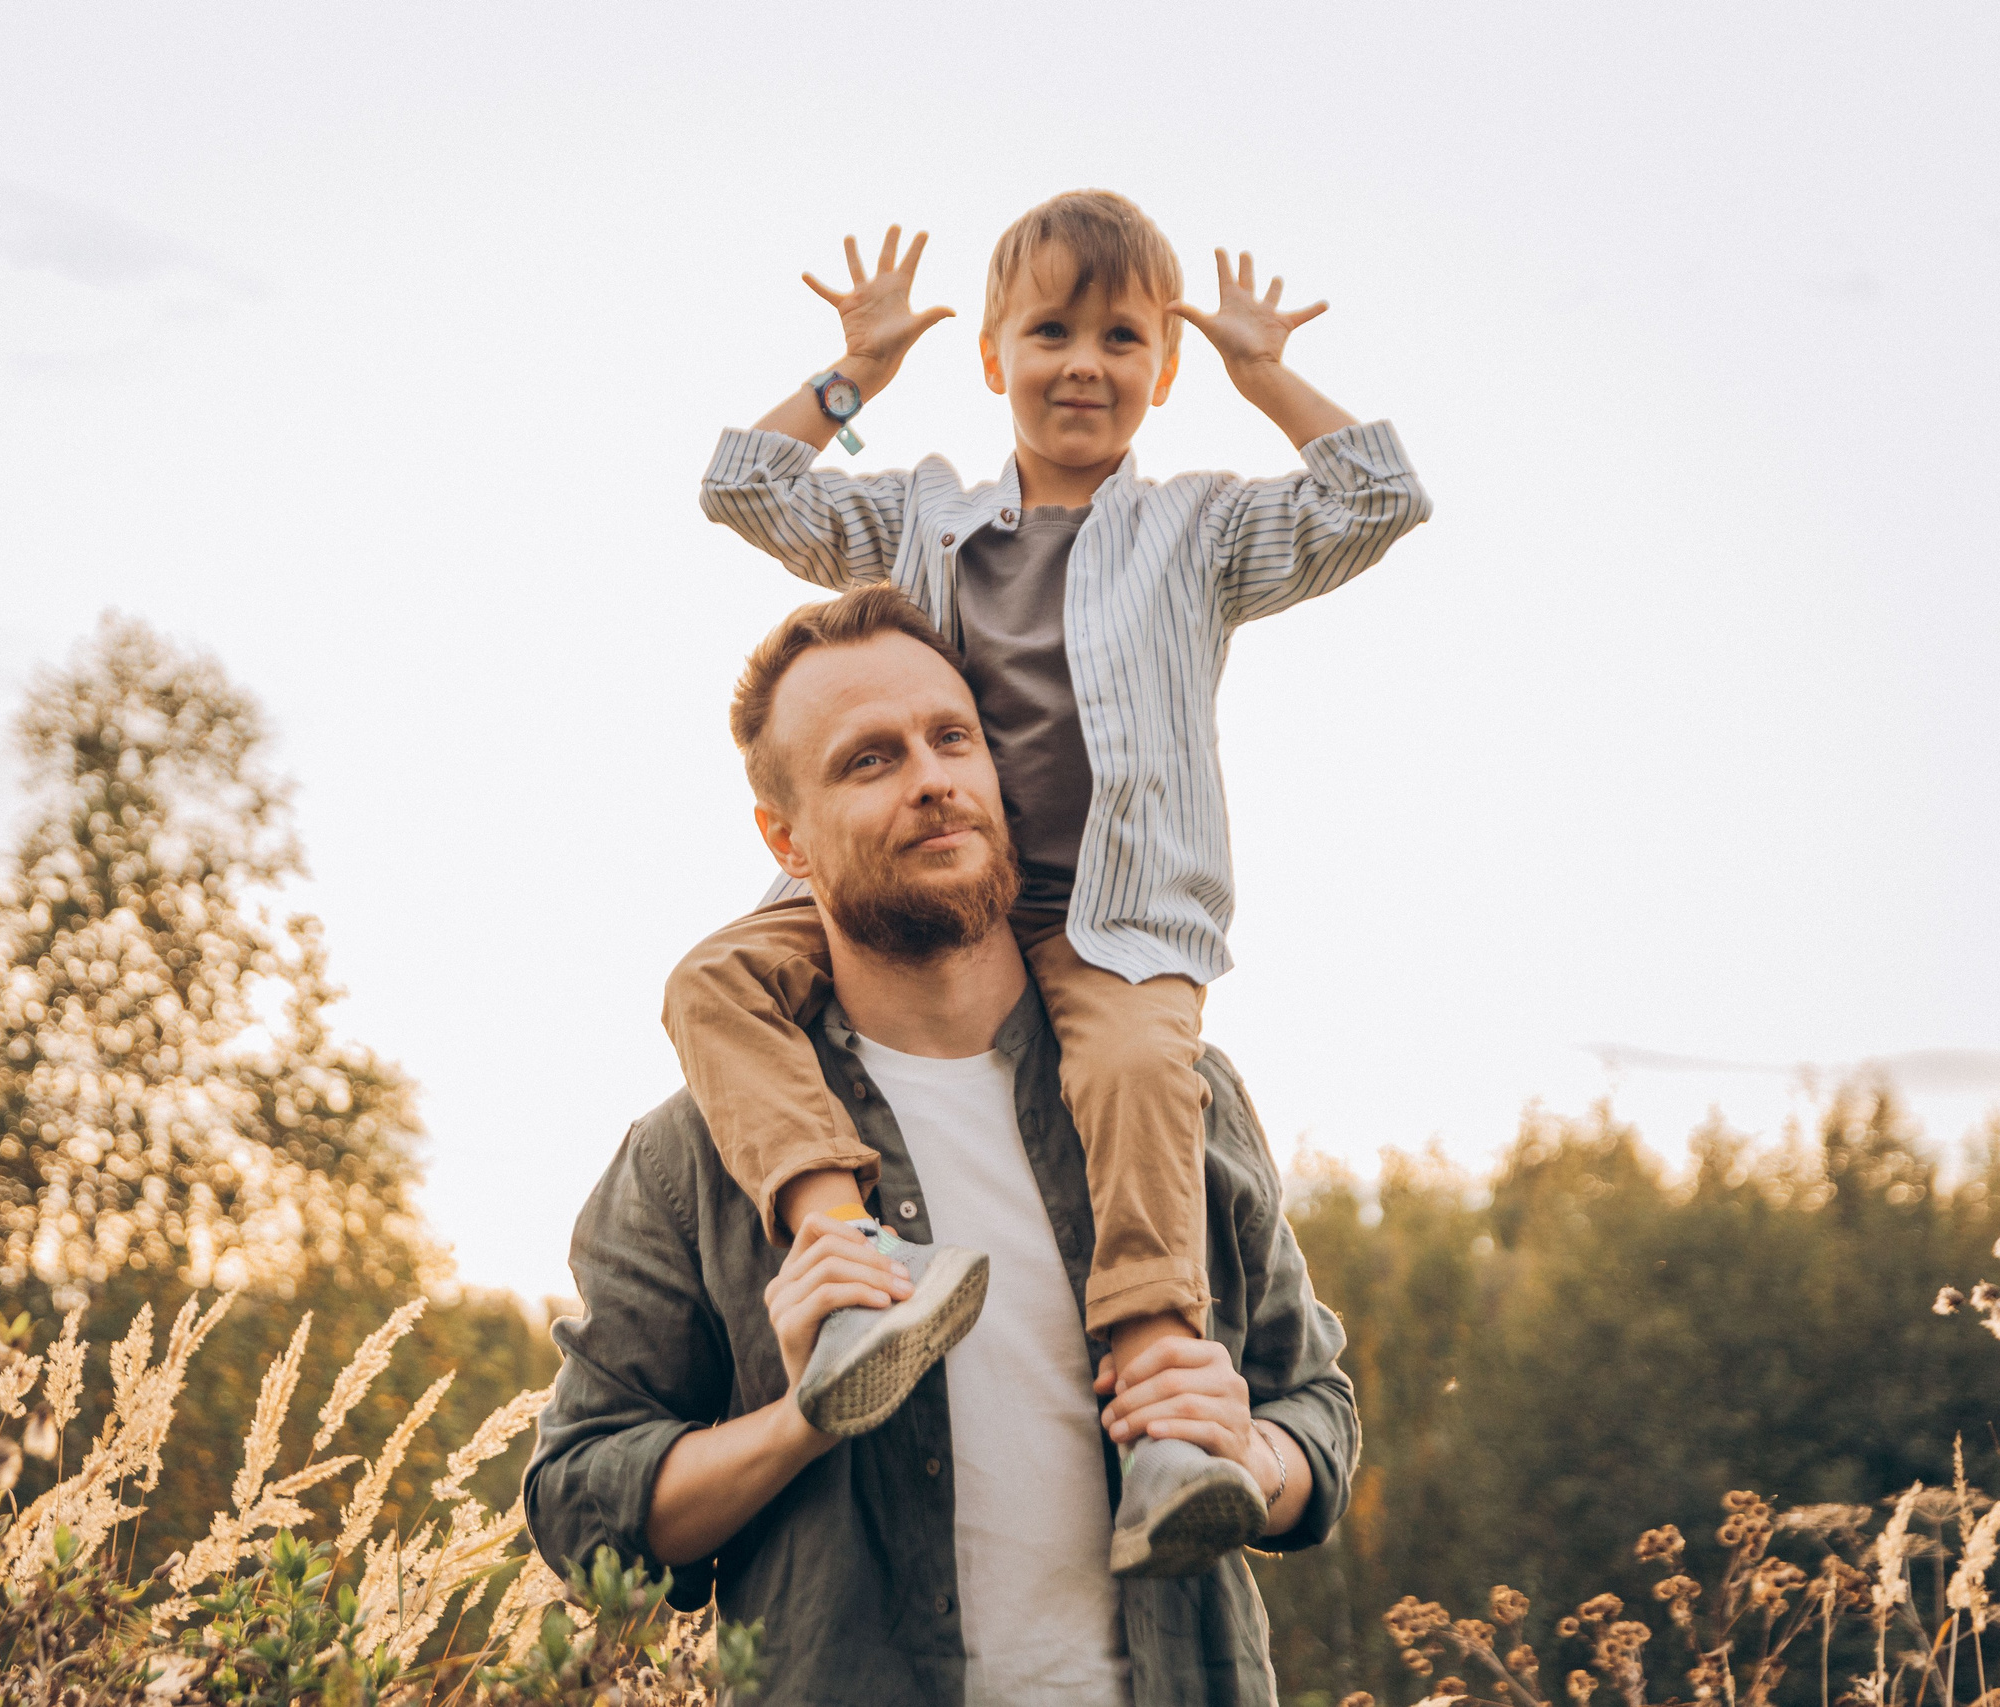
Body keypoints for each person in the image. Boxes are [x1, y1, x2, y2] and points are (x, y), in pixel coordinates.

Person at [666, 189, 1427, 1575]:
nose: (1085, 361)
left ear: (1163, 370)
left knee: (1140, 1078)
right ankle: (850, 1268)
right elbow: (742, 486)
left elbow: (1379, 497)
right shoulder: (919, 519)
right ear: (994, 354)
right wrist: (858, 375)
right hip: (930, 883)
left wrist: (1267, 374)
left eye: (1122, 335)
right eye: (1051, 329)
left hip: (1112, 914)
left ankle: (1164, 1422)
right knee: (713, 978)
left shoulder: (1191, 536)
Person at [526, 587, 1358, 1705]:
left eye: (950, 737)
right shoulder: (690, 1160)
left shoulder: (1170, 1092)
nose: (932, 778)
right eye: (868, 760)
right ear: (787, 840)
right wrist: (800, 1420)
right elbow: (581, 1505)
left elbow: (1314, 1407)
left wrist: (1250, 1454)